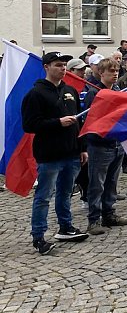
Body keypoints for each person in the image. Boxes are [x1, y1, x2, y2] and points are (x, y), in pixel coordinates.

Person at [21, 51, 89, 254]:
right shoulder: (35, 94)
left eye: (64, 65)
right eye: (58, 65)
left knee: (66, 193)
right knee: (44, 196)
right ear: (46, 67)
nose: (63, 68)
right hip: (49, 154)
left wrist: (82, 148)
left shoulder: (70, 91)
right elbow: (30, 125)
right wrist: (57, 123)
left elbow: (80, 122)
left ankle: (65, 227)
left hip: (71, 152)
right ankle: (39, 236)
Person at [83, 58, 127, 235]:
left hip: (117, 143)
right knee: (97, 184)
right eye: (111, 71)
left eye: (117, 70)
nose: (115, 74)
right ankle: (93, 220)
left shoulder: (118, 90)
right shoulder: (94, 93)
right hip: (100, 145)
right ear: (101, 73)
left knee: (111, 182)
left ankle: (109, 214)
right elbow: (89, 120)